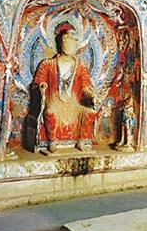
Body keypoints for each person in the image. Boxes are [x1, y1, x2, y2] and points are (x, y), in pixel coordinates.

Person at [31, 22, 97, 152]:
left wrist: (91, 95)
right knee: (50, 112)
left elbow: (85, 86)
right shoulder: (48, 64)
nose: (69, 45)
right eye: (66, 42)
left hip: (74, 103)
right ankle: (52, 141)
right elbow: (38, 82)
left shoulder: (80, 66)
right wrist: (42, 86)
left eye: (72, 43)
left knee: (90, 112)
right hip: (54, 100)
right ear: (60, 44)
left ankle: (81, 141)